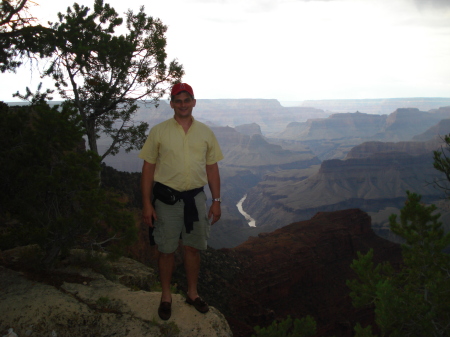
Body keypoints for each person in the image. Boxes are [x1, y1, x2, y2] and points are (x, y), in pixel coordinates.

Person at [139, 83, 223, 321]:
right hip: (166, 200)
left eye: (187, 100)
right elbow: (148, 168)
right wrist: (147, 203)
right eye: (178, 100)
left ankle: (192, 293)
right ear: (172, 104)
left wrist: (216, 200)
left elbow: (212, 167)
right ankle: (166, 296)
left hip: (195, 199)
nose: (183, 104)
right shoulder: (159, 131)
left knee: (193, 248)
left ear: (194, 102)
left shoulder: (206, 132)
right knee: (166, 250)